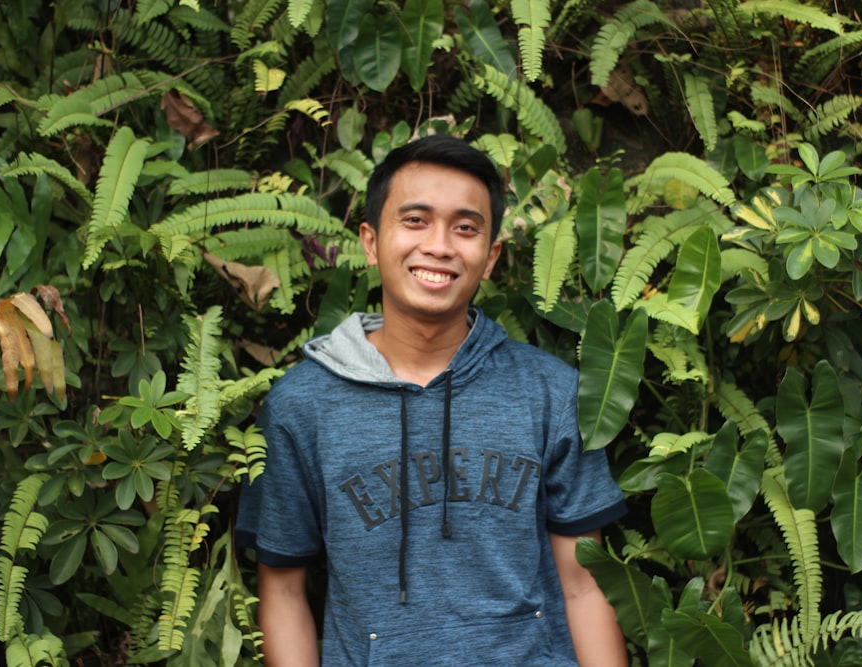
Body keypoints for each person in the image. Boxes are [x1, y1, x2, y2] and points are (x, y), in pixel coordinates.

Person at [236, 134, 628, 666]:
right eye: (415, 220)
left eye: (465, 228)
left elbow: (585, 585)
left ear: (489, 258)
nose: (440, 246)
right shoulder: (303, 406)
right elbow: (282, 593)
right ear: (371, 242)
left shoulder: (550, 393)